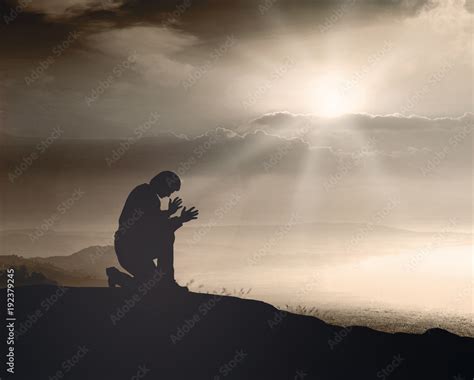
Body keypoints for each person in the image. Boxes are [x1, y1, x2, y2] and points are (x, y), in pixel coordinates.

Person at [106, 171, 198, 288]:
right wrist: (180, 219)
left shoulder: (146, 193)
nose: (169, 195)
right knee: (167, 236)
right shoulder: (146, 195)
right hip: (131, 251)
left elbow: (152, 220)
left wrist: (171, 214)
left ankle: (117, 277)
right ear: (164, 184)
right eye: (170, 190)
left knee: (153, 285)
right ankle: (167, 281)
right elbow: (155, 225)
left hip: (132, 249)